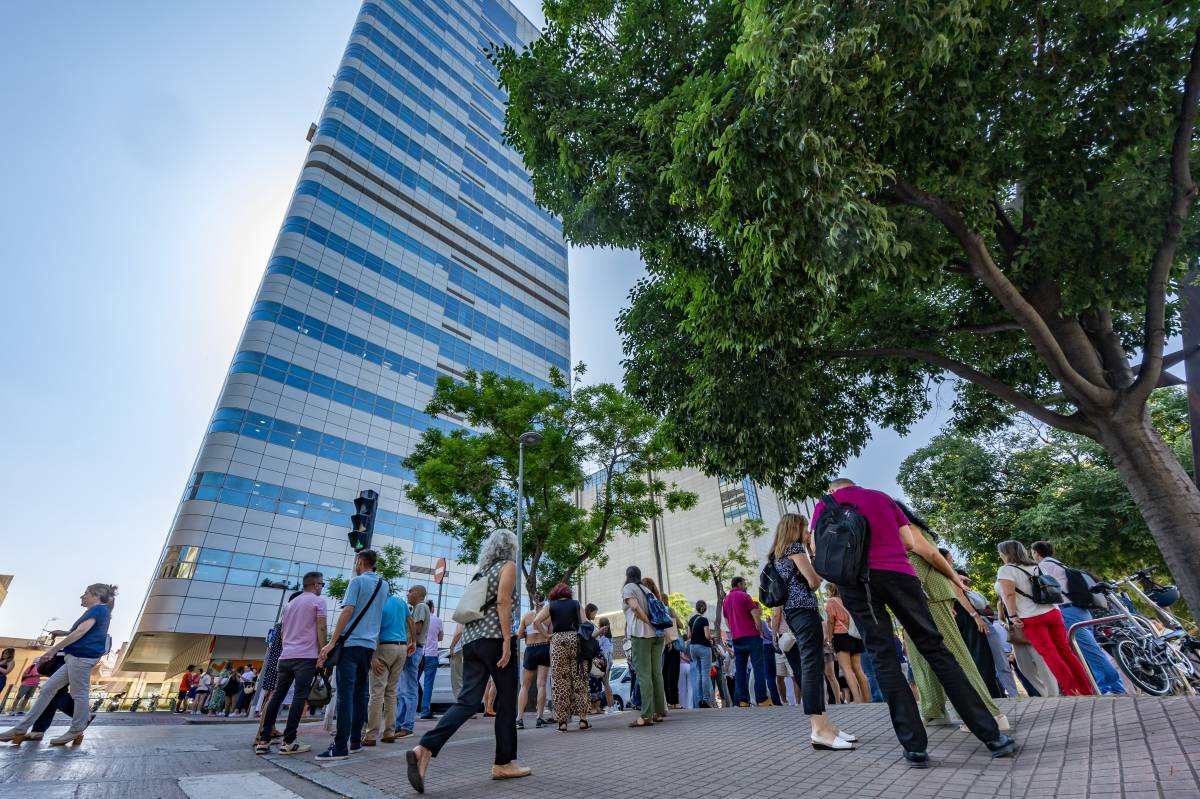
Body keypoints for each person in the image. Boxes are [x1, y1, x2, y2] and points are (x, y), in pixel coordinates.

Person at [810, 479, 1013, 767]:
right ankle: (992, 737)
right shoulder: (881, 497)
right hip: (899, 575)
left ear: (833, 490)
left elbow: (817, 547)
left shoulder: (825, 505)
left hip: (856, 584)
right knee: (936, 649)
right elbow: (908, 541)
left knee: (883, 659)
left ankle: (914, 747)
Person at [406, 529, 530, 792]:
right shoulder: (507, 567)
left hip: (471, 642)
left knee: (468, 701)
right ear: (510, 547)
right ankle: (504, 763)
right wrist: (507, 639)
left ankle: (425, 747)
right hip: (495, 639)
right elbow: (503, 601)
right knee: (507, 701)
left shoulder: (480, 574)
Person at [891, 508, 1008, 731]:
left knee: (954, 653)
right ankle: (934, 711)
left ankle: (988, 714)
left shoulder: (908, 528)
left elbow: (933, 555)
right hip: (912, 600)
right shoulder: (898, 532)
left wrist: (954, 578)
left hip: (929, 596)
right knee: (920, 657)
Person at [771, 512, 855, 749]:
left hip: (794, 613)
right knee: (811, 666)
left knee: (813, 666)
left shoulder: (779, 553)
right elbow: (815, 581)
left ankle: (826, 726)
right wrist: (812, 551)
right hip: (804, 612)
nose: (809, 533)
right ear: (796, 529)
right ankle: (819, 729)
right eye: (806, 528)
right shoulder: (795, 549)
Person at [0, 582, 117, 746]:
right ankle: (21, 728)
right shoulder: (100, 611)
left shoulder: (98, 609)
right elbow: (81, 632)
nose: (82, 596)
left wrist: (52, 650)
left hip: (81, 657)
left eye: (86, 593)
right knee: (47, 689)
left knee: (78, 693)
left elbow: (80, 632)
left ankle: (77, 729)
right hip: (74, 657)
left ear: (96, 596)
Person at [995, 540, 1093, 697]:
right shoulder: (1037, 566)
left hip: (1030, 617)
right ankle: (1086, 689)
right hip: (1053, 612)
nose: (1000, 555)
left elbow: (1009, 594)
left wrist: (1012, 615)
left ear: (1005, 553)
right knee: (1066, 651)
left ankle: (1072, 691)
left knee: (1049, 653)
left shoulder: (1006, 570)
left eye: (1000, 552)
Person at [316, 548, 386, 761]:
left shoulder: (357, 582)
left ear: (360, 562)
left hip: (351, 644)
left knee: (345, 694)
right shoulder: (384, 585)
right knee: (361, 693)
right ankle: (355, 740)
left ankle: (340, 747)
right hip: (369, 646)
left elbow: (347, 610)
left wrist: (332, 642)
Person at [1031, 541, 1126, 695]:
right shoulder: (1060, 565)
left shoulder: (1042, 567)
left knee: (1091, 652)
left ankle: (1113, 689)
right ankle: (1107, 687)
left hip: (1068, 613)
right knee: (1090, 650)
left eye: (1032, 552)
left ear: (1036, 552)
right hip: (1081, 610)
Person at [255, 571, 328, 755]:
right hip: (306, 657)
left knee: (277, 696)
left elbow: (282, 632)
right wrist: (322, 652)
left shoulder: (289, 605)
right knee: (299, 697)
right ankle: (289, 741)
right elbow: (321, 627)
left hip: (286, 656)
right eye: (322, 584)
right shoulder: (318, 601)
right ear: (316, 584)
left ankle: (263, 740)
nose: (322, 587)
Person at [534, 582, 590, 731]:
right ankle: (583, 719)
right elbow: (585, 623)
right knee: (579, 679)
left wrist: (547, 635)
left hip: (558, 641)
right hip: (575, 640)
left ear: (555, 593)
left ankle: (562, 722)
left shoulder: (551, 606)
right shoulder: (576, 604)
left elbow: (536, 621)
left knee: (559, 681)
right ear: (568, 593)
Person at [365, 580, 413, 745]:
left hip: (384, 648)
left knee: (377, 693)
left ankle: (371, 735)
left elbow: (374, 630)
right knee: (391, 692)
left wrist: (373, 657)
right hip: (402, 648)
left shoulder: (377, 604)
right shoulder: (400, 602)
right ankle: (389, 732)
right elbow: (410, 621)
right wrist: (412, 641)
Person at [623, 566, 666, 726]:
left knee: (643, 675)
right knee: (656, 674)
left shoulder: (629, 588)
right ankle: (658, 712)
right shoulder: (647, 590)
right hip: (658, 636)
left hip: (641, 634)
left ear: (627, 576)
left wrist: (649, 623)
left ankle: (646, 715)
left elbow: (634, 607)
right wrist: (655, 627)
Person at [722, 576, 770, 707]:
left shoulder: (726, 600)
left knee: (740, 670)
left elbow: (726, 620)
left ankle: (743, 700)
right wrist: (760, 631)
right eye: (744, 583)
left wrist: (734, 630)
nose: (745, 586)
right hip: (752, 636)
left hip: (737, 638)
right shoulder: (745, 596)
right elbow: (756, 614)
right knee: (758, 667)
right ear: (739, 584)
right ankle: (762, 699)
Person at [823, 585, 870, 704]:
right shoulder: (850, 599)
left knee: (846, 668)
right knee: (858, 669)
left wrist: (829, 638)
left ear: (831, 589)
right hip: (855, 635)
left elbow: (830, 621)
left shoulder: (832, 601)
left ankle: (857, 699)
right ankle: (866, 699)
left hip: (841, 636)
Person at [642, 578, 681, 709]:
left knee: (658, 673)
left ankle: (660, 703)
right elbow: (678, 624)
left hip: (649, 639)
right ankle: (671, 703)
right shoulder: (665, 607)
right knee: (669, 674)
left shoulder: (643, 602)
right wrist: (669, 638)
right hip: (666, 641)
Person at [396, 584, 429, 738]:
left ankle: (407, 727)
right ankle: (399, 725)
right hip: (412, 650)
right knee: (403, 690)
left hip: (412, 650)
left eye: (409, 591)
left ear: (417, 593)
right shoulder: (417, 608)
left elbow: (416, 629)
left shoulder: (421, 606)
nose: (407, 594)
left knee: (409, 689)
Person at [516, 593, 551, 729]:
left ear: (533, 601)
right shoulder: (548, 616)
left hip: (530, 649)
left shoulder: (527, 616)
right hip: (544, 648)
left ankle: (519, 718)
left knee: (525, 685)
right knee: (541, 685)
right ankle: (539, 718)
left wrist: (527, 633)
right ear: (544, 601)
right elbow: (550, 635)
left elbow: (519, 635)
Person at [418, 600, 444, 719]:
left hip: (419, 653)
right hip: (432, 654)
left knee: (412, 683)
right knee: (428, 684)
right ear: (432, 608)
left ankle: (408, 711)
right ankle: (425, 711)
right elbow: (440, 637)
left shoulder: (419, 619)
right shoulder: (437, 620)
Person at [687, 600, 714, 708]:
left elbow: (689, 636)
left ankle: (700, 699)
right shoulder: (704, 620)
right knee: (705, 674)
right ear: (705, 609)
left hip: (693, 648)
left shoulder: (691, 620)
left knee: (698, 673)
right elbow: (707, 636)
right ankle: (706, 700)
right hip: (704, 648)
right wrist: (712, 638)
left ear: (696, 608)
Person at [760, 617, 783, 706]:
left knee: (766, 675)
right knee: (771, 676)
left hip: (757, 649)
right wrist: (770, 627)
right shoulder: (761, 622)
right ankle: (776, 701)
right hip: (766, 648)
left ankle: (768, 700)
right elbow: (770, 635)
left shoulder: (747, 622)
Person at [596, 617, 616, 713]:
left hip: (605, 663)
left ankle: (610, 706)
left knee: (606, 684)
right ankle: (612, 705)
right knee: (607, 683)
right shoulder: (609, 637)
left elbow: (604, 652)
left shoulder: (603, 638)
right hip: (609, 661)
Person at [448, 624, 465, 699]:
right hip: (466, 649)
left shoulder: (461, 619)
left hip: (458, 650)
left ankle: (460, 703)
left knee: (457, 681)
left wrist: (452, 647)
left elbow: (459, 632)